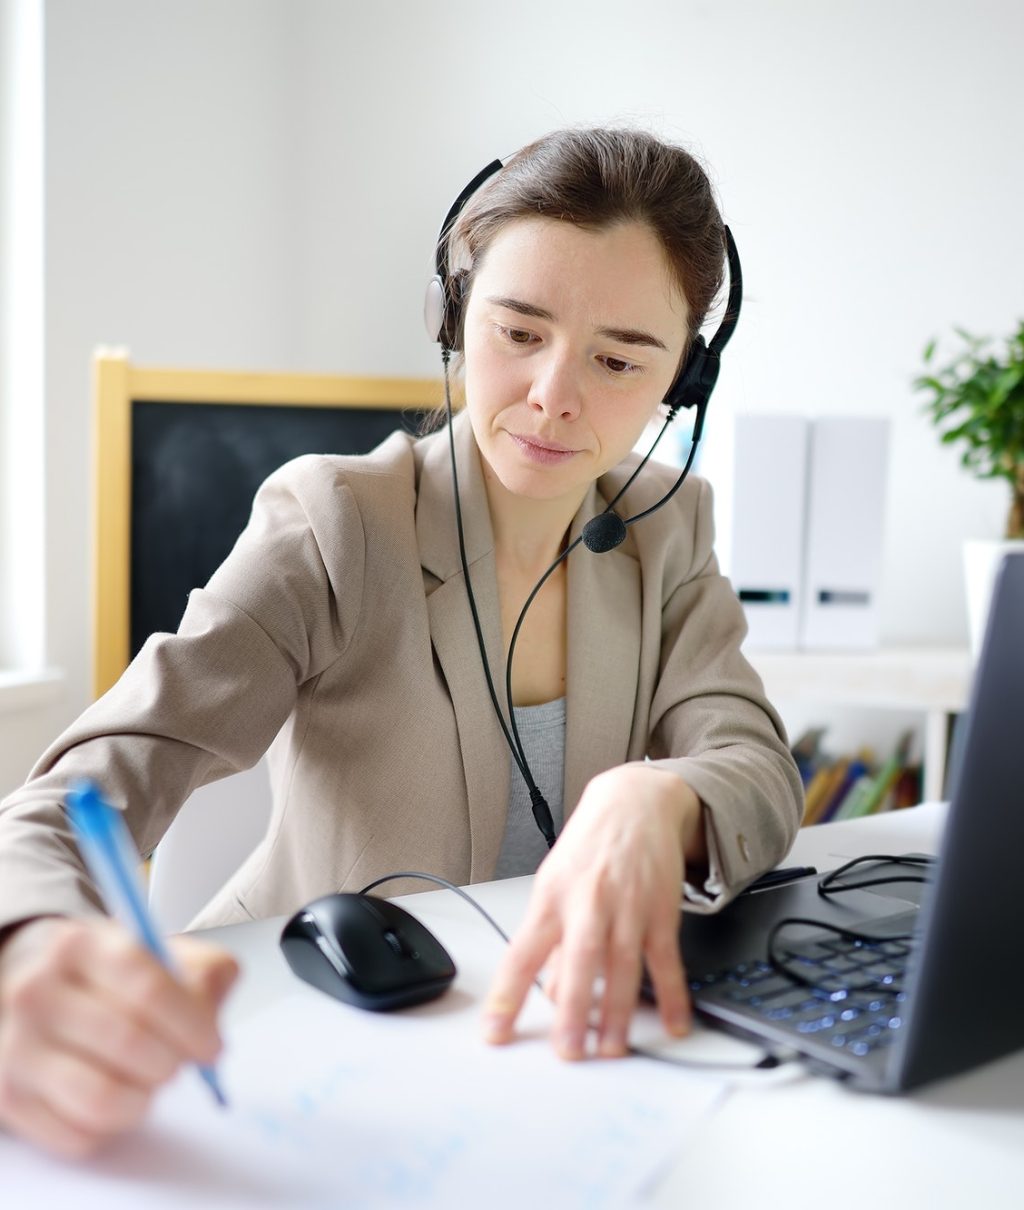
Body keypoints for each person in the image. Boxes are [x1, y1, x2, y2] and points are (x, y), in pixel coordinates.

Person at [0, 127, 803, 1158]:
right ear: (453, 317)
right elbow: (66, 799)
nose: (555, 393)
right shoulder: (333, 520)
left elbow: (755, 762)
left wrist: (665, 793)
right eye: (518, 332)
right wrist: (27, 949)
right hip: (314, 1053)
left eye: (616, 358)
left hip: (549, 1071)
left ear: (680, 381)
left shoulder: (667, 524)